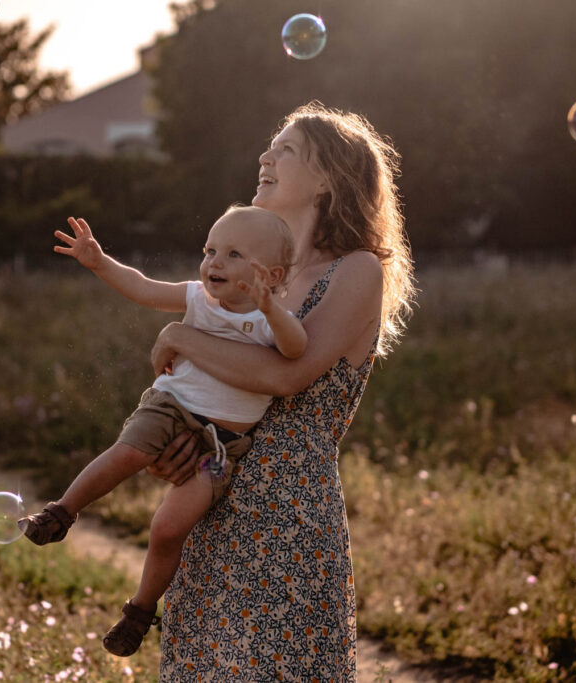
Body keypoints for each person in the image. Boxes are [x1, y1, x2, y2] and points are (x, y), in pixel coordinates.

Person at [147, 101, 416, 681]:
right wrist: (172, 448)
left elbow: (287, 376)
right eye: (271, 146)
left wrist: (177, 336)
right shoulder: (241, 274)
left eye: (286, 149)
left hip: (286, 520)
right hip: (213, 500)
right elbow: (199, 389)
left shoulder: (356, 270)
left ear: (328, 180)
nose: (265, 156)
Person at [20, 206, 307, 657]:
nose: (214, 262)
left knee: (167, 528)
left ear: (270, 274)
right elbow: (143, 288)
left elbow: (297, 349)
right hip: (170, 407)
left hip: (222, 446)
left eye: (233, 254)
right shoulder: (196, 298)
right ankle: (61, 512)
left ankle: (139, 612)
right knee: (127, 454)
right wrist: (100, 262)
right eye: (210, 250)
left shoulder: (273, 321)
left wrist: (271, 307)